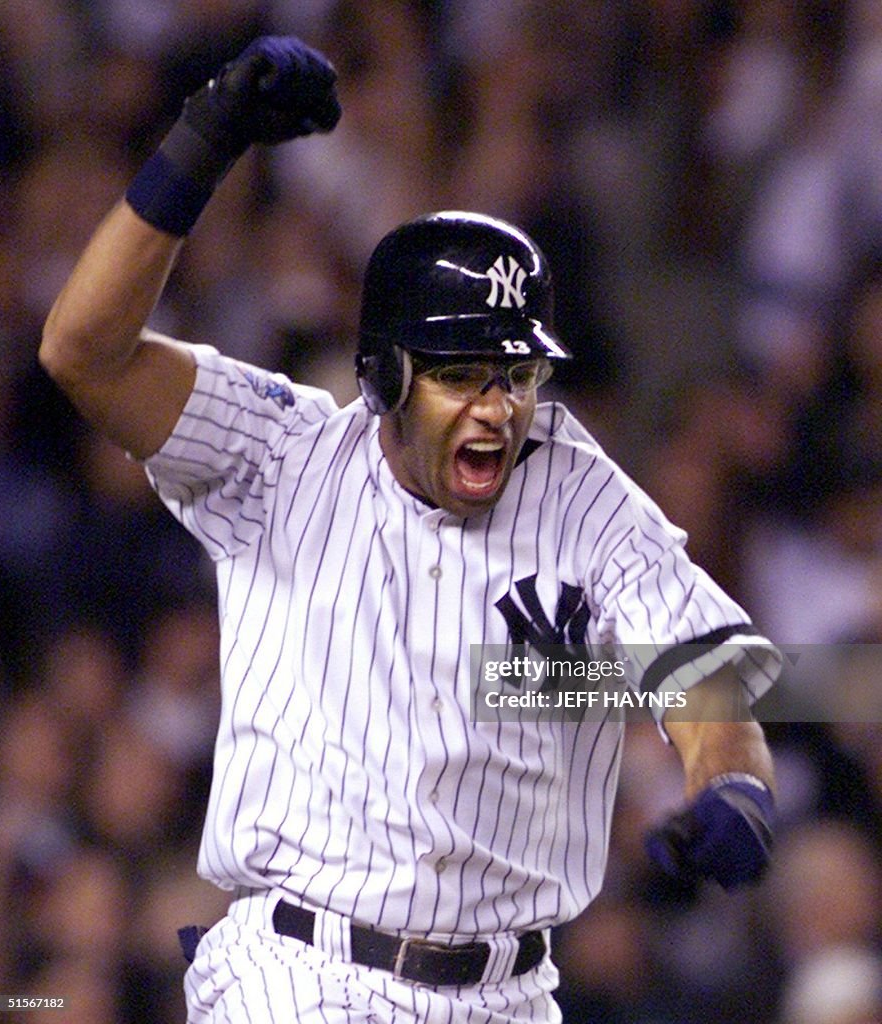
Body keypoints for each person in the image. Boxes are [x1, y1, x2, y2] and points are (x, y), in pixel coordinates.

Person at [40, 35, 782, 1024]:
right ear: (384, 374)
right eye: (461, 373)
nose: (498, 408)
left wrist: (730, 788)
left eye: (515, 374)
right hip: (302, 973)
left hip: (510, 992)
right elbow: (83, 351)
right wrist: (202, 141)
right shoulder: (281, 455)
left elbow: (706, 678)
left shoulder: (580, 493)